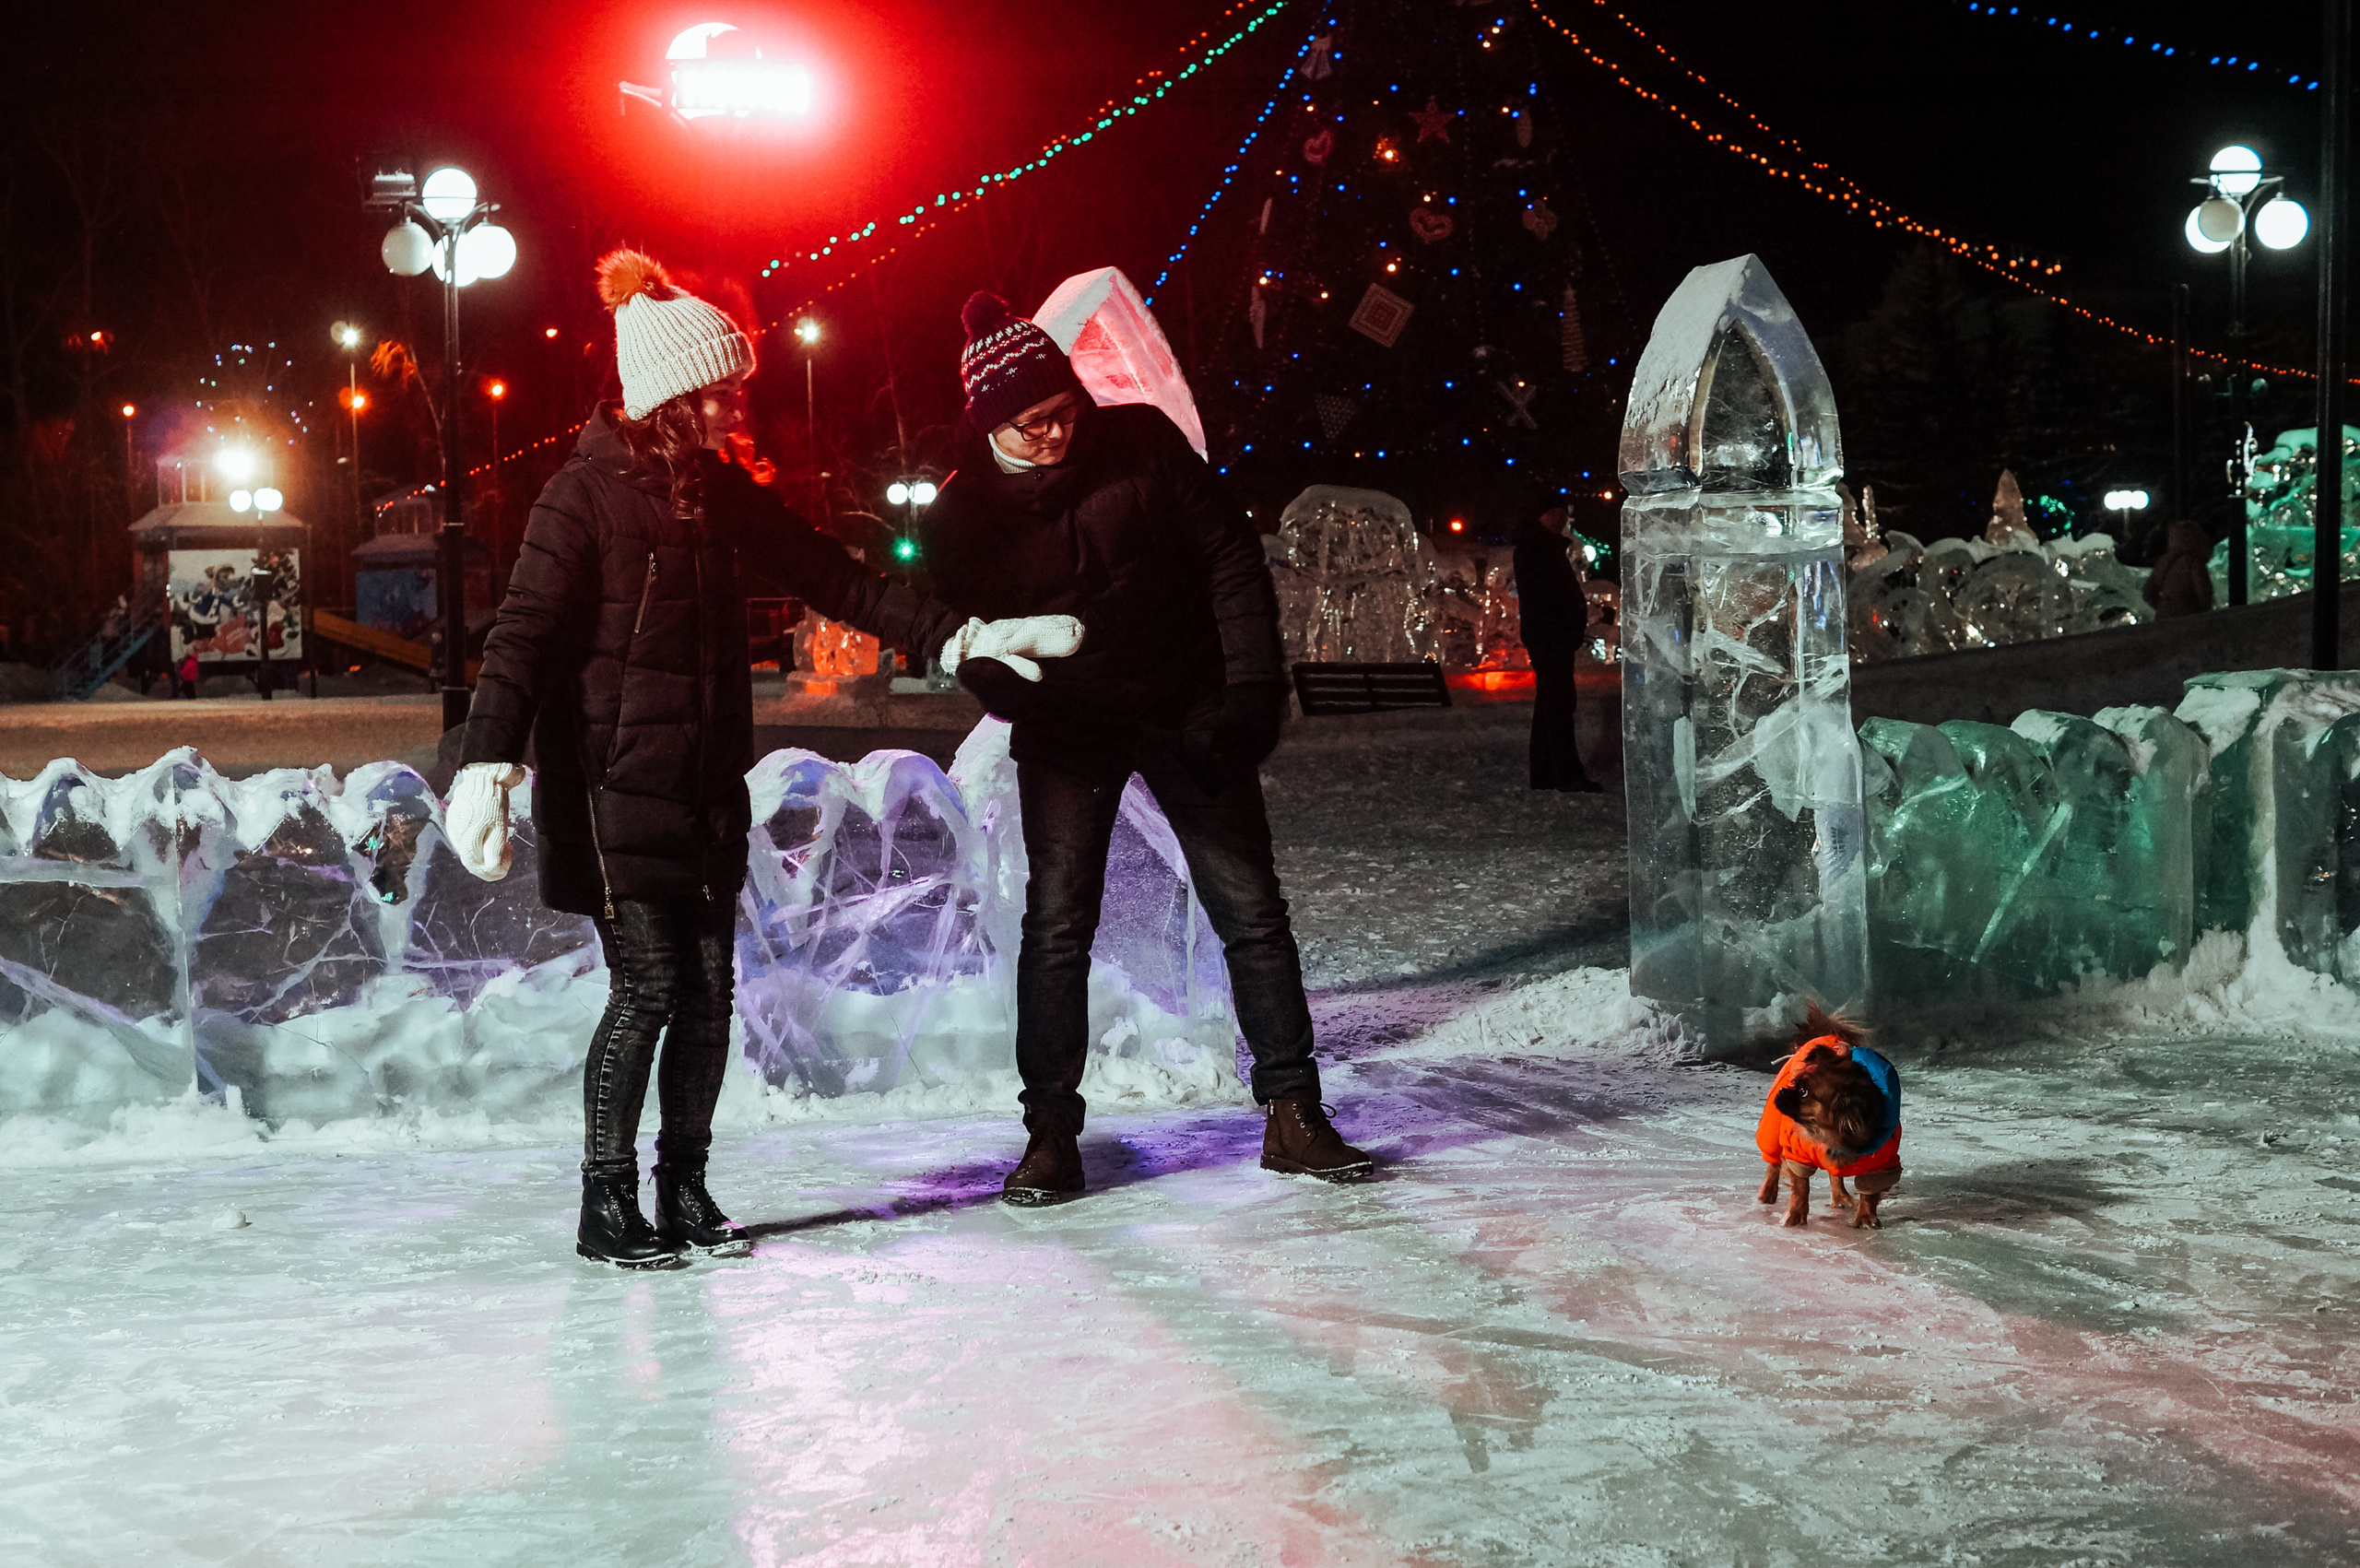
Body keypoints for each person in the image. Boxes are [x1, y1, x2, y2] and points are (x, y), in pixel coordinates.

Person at [442, 253, 1077, 1268]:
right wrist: (487, 763)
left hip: (699, 792)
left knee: (707, 994)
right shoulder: (582, 501)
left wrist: (956, 636)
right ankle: (605, 1201)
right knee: (648, 987)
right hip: (608, 794)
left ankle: (683, 1187)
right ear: (673, 398)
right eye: (722, 394)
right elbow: (519, 637)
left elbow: (838, 578)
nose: (737, 408)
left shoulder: (714, 494)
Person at [922, 291, 1375, 1206]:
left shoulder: (1141, 442)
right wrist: (1006, 687)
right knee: (1056, 928)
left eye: (1065, 409)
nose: (1059, 432)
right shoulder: (959, 514)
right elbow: (966, 638)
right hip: (1069, 732)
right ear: (990, 425)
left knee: (1249, 908)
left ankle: (1293, 1110)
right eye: (1034, 422)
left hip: (1187, 707)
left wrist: (1249, 691)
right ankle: (1049, 1132)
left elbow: (1229, 560)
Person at [1511, 502, 1601, 793]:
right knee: (1559, 703)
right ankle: (1565, 773)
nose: (1561, 518)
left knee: (1550, 702)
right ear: (1540, 515)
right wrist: (1569, 619)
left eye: (1564, 512)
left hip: (1552, 635)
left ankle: (1546, 772)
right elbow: (1548, 596)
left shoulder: (1543, 547)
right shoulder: (1537, 549)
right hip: (1550, 637)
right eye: (1554, 511)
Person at [2142, 519, 2216, 619]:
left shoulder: (2164, 561)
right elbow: (2203, 591)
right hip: (2189, 614)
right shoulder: (2195, 562)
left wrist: (2162, 605)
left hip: (2164, 615)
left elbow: (2148, 592)